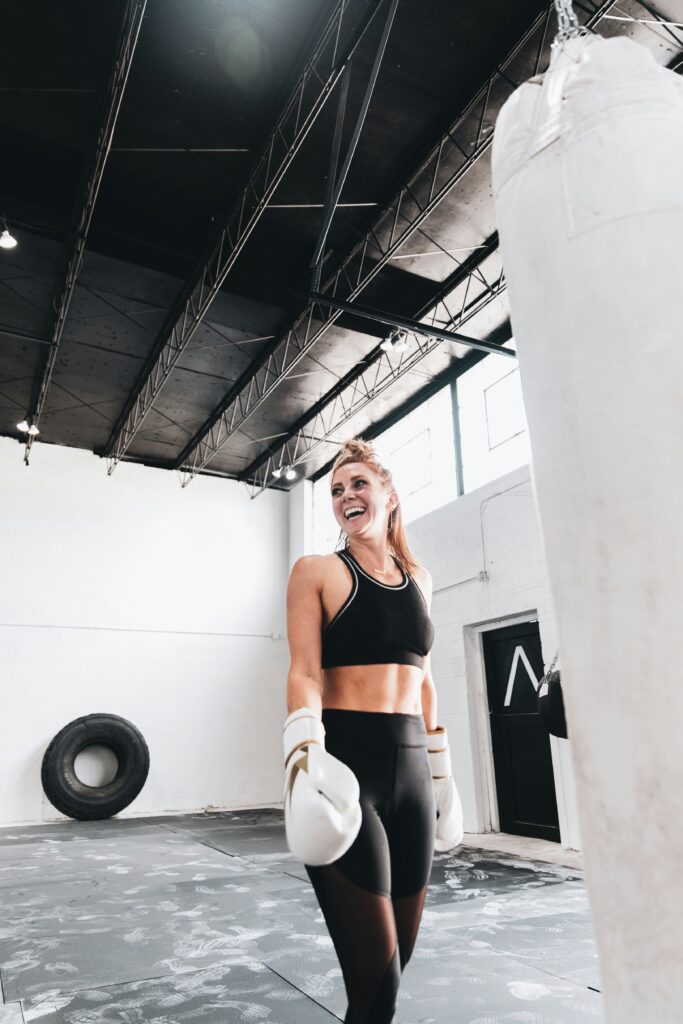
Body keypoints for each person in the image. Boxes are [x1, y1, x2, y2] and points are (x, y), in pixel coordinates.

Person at [282, 438, 462, 1024]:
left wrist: (442, 773)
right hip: (347, 774)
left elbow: (425, 682)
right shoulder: (317, 572)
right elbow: (304, 672)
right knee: (377, 985)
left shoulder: (421, 579)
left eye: (358, 484)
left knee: (393, 970)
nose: (346, 496)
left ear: (388, 495)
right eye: (336, 490)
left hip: (413, 774)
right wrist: (305, 755)